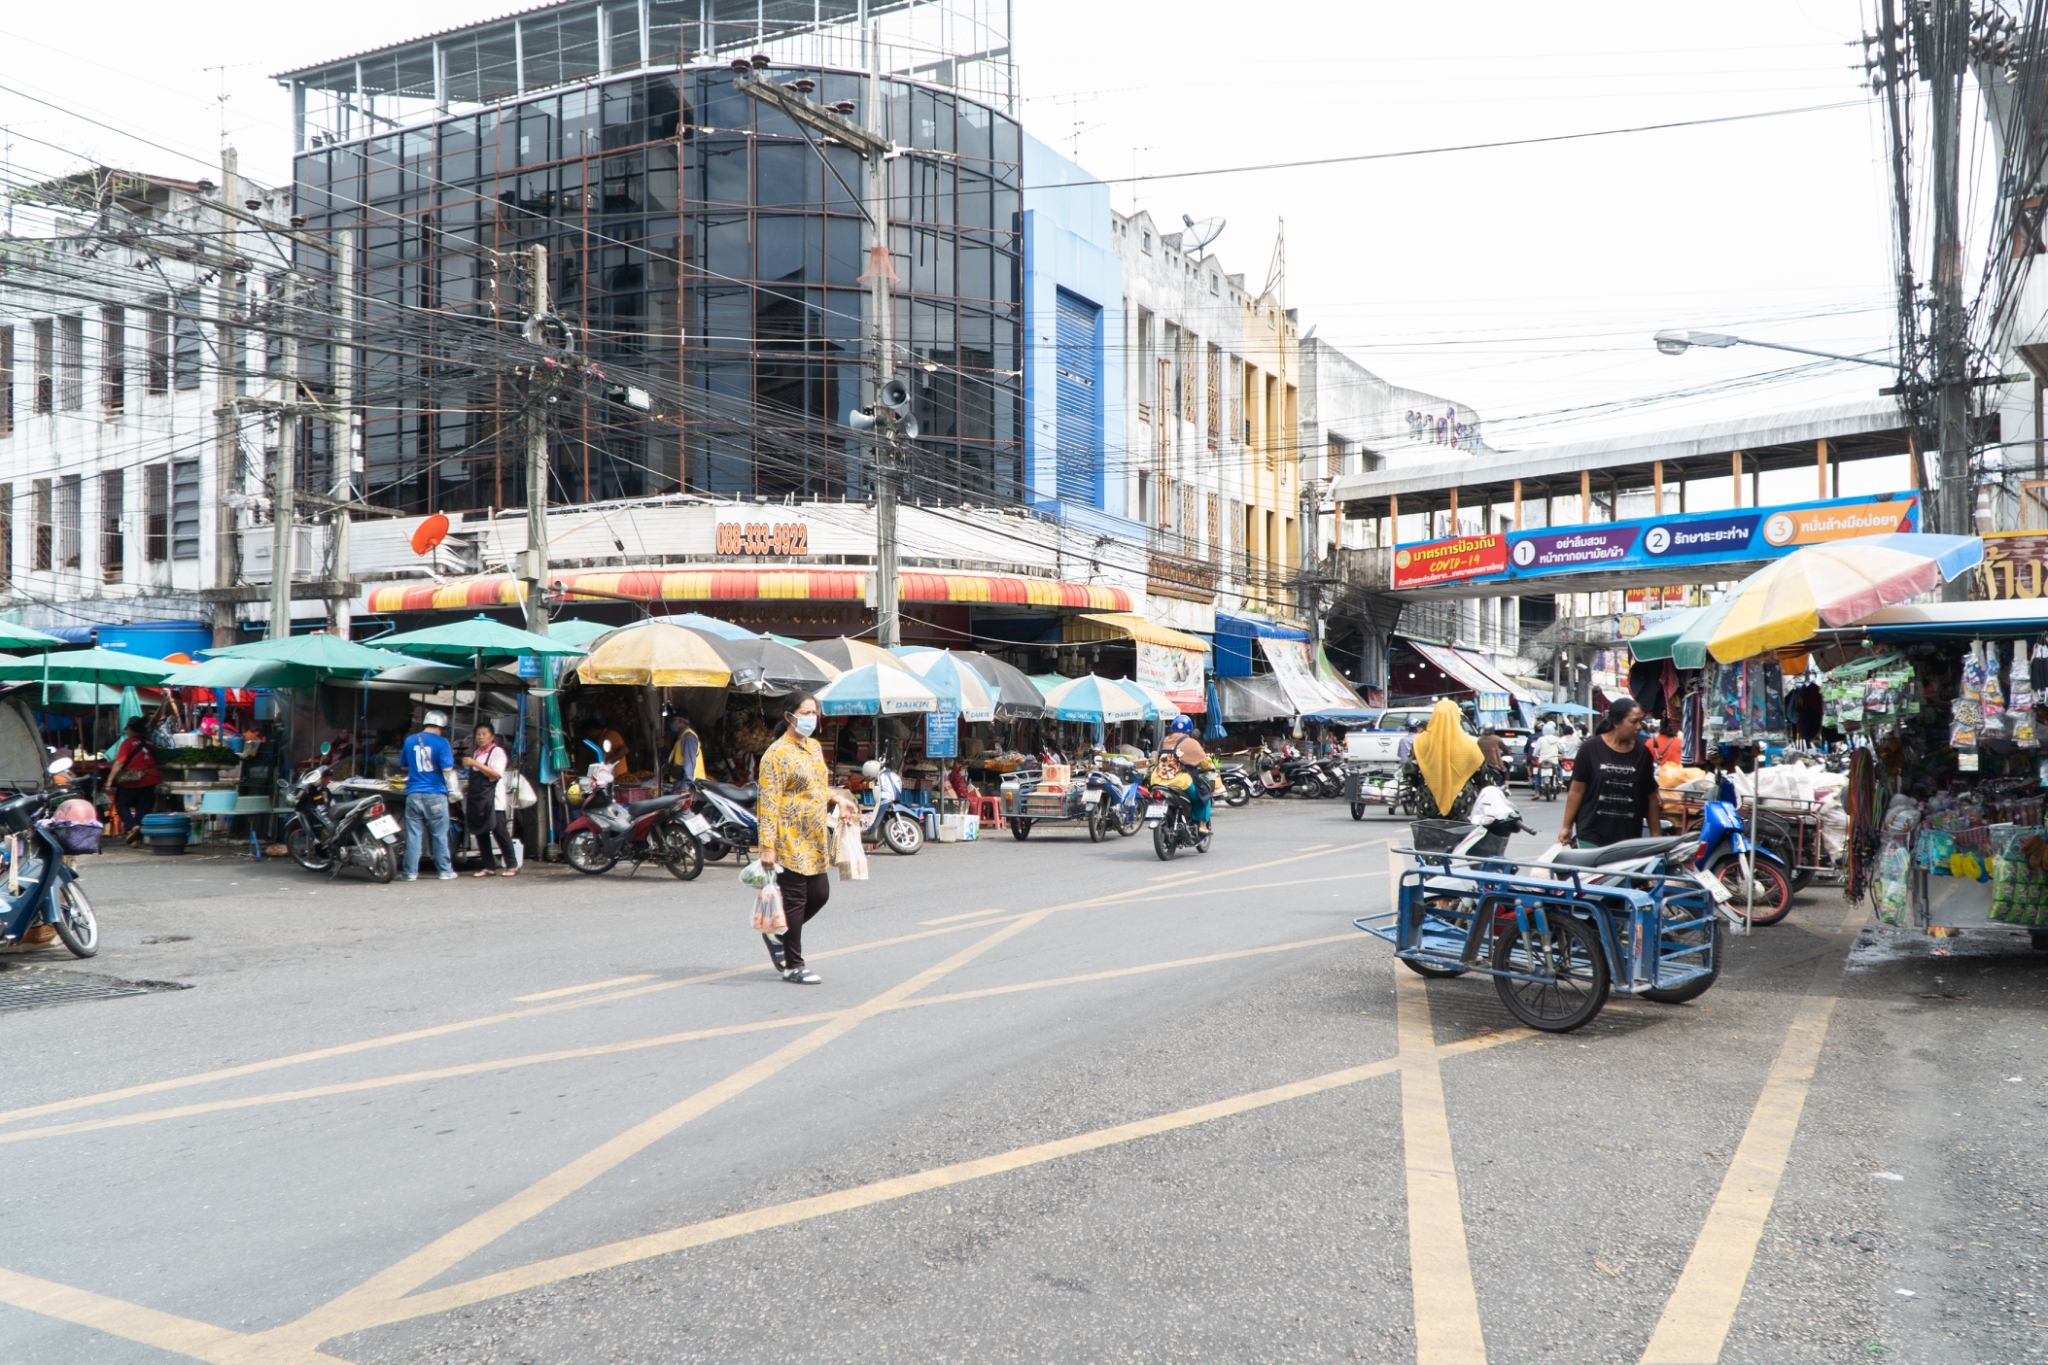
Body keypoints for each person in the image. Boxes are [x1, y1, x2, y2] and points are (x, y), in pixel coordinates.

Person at [755, 692, 858, 985]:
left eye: (815, 713)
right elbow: (768, 802)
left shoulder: (813, 748)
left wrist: (837, 798)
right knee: (797, 899)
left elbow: (816, 787)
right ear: (789, 717)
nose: (812, 718)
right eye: (806, 712)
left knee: (820, 894)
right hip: (787, 837)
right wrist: (767, 846)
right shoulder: (776, 754)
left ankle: (777, 932)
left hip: (813, 836)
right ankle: (793, 965)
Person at [1557, 698, 1657, 848]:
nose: (1638, 727)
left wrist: (1656, 835)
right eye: (1634, 721)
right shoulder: (1590, 748)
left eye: (1640, 721)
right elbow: (1577, 791)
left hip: (1628, 837)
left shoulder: (1642, 754)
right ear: (1616, 723)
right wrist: (1567, 826)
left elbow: (1651, 796)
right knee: (1592, 873)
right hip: (1591, 833)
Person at [1405, 698, 1487, 821]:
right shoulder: (1469, 743)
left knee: (1428, 836)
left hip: (1427, 797)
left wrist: (1422, 784)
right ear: (1456, 717)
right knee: (1461, 836)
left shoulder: (1420, 741)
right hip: (1462, 798)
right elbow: (1482, 775)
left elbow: (1409, 771)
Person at [401, 709, 459, 881]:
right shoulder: (442, 743)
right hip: (435, 794)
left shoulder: (410, 740)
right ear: (441, 726)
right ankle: (445, 871)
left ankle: (409, 873)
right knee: (439, 835)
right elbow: (447, 769)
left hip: (413, 793)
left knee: (413, 835)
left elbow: (404, 766)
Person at [461, 722, 518, 877]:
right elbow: (477, 775)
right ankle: (488, 866)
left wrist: (474, 763)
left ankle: (512, 864)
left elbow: (496, 774)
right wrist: (468, 786)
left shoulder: (497, 752)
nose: (480, 737)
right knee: (481, 832)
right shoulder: (478, 754)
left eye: (484, 734)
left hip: (494, 800)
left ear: (492, 736)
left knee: (500, 832)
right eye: (478, 734)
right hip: (478, 799)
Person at [106, 715, 161, 844]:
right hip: (151, 779)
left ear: (131, 728)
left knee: (121, 803)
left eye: (127, 729)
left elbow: (119, 762)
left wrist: (109, 780)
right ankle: (137, 837)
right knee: (142, 807)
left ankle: (131, 826)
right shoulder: (150, 742)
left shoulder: (128, 742)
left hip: (132, 780)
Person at [1158, 715, 1212, 834]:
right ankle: (1202, 825)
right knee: (1202, 795)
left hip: (1158, 780)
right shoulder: (1190, 742)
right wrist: (1211, 767)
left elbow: (1155, 760)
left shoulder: (1163, 741)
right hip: (1179, 781)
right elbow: (1204, 762)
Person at [666, 712, 706, 787]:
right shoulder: (682, 736)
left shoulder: (688, 737)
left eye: (673, 721)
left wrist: (686, 784)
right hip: (681, 780)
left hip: (690, 783)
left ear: (680, 721)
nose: (672, 724)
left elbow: (689, 762)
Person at [1532, 726, 1561, 793]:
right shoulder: (1557, 739)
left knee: (1538, 775)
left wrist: (1534, 755)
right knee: (1559, 770)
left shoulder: (1541, 739)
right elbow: (1562, 748)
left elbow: (1536, 750)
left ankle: (1537, 791)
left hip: (1543, 760)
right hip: (1554, 761)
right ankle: (1560, 782)